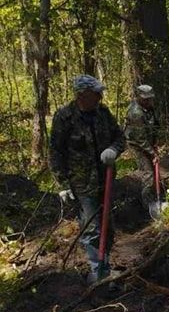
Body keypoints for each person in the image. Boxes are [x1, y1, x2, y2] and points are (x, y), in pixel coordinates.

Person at [49, 75, 126, 284]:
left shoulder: (103, 114)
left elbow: (120, 138)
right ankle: (97, 270)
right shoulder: (64, 117)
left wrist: (113, 149)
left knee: (107, 226)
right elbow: (56, 152)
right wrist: (63, 184)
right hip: (82, 184)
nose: (100, 96)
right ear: (83, 95)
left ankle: (105, 264)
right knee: (91, 228)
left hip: (106, 180)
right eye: (96, 93)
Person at [125, 85, 163, 218]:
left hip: (149, 142)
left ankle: (158, 197)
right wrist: (153, 154)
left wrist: (156, 142)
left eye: (150, 99)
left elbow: (156, 125)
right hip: (138, 145)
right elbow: (140, 139)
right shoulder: (136, 113)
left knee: (156, 172)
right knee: (148, 175)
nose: (149, 102)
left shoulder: (149, 108)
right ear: (139, 98)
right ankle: (147, 207)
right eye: (146, 100)